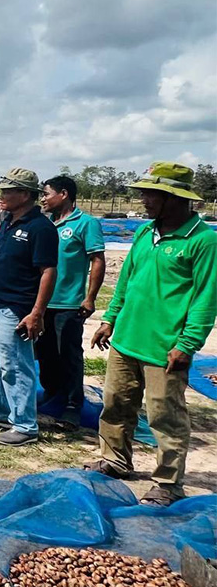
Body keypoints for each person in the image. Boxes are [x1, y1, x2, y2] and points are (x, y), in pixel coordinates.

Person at [88, 162, 217, 507]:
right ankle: (116, 460)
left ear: (174, 198)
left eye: (150, 194)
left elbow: (206, 298)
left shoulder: (203, 241)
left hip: (165, 348)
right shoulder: (146, 233)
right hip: (126, 339)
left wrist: (186, 345)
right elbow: (127, 282)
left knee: (165, 416)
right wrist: (110, 319)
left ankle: (168, 482)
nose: (143, 199)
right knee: (116, 404)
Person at [0, 168, 58, 446]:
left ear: (25, 194)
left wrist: (36, 313)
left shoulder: (40, 228)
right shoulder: (8, 222)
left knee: (16, 366)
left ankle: (25, 425)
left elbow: (48, 271)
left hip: (18, 308)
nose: (2, 196)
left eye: (7, 191)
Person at [35, 175, 105, 429]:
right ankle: (53, 395)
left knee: (69, 354)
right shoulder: (45, 224)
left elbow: (97, 259)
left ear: (63, 194)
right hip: (44, 303)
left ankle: (73, 406)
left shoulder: (85, 223)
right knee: (45, 352)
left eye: (46, 193)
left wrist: (90, 297)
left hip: (69, 302)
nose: (43, 198)